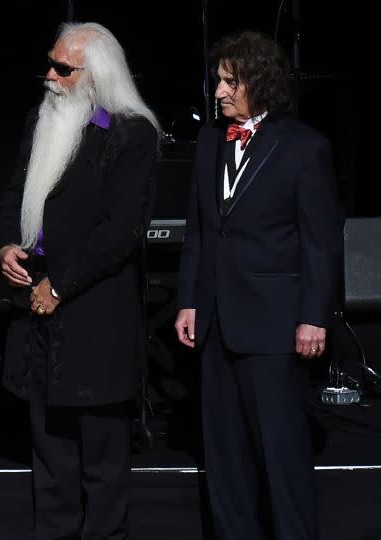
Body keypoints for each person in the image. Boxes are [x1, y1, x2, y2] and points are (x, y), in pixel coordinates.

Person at [0, 22, 159, 540]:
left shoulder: (132, 134)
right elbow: (13, 191)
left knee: (103, 468)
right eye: (50, 63)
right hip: (38, 320)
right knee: (51, 462)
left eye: (63, 69)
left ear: (95, 76)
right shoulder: (40, 119)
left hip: (94, 320)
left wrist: (59, 285)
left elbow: (120, 231)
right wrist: (4, 246)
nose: (49, 76)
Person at [174, 31, 343, 540]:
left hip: (274, 326)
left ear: (260, 83)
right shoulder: (208, 142)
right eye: (218, 81)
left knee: (281, 456)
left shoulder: (306, 148)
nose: (220, 92)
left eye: (231, 81)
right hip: (216, 325)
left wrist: (314, 316)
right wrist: (188, 301)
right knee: (225, 462)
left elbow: (321, 242)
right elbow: (200, 231)